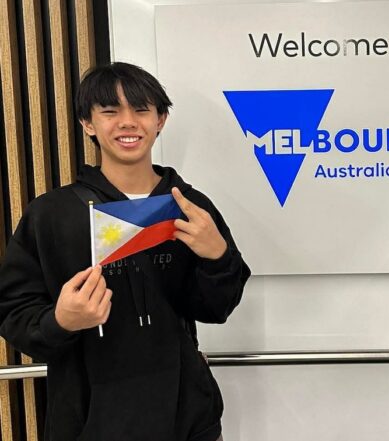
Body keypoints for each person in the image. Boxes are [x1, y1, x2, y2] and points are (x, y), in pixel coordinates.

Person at [0, 62, 251, 441]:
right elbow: (14, 312)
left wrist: (218, 258)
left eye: (141, 109)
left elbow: (216, 309)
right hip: (89, 421)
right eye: (110, 111)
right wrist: (60, 321)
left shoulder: (190, 207)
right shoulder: (50, 214)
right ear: (87, 123)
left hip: (185, 420)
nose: (128, 122)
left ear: (160, 120)